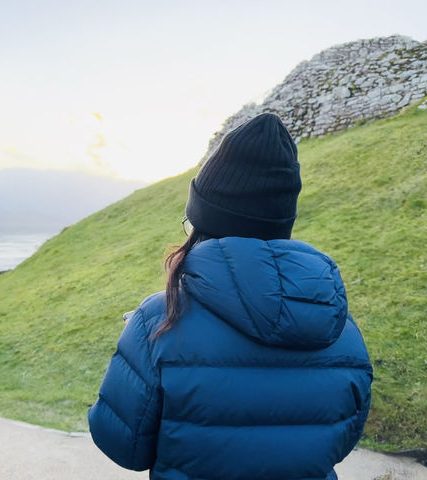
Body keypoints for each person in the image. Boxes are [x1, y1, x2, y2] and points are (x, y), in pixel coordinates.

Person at [87, 113, 373, 480]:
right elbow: (341, 441)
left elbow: (124, 446)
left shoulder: (158, 320)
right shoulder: (344, 329)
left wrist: (137, 353)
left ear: (202, 224)